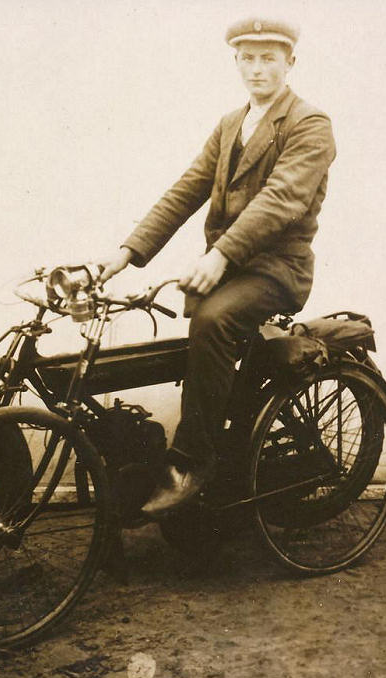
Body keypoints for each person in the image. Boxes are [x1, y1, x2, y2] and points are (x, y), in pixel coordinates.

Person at [100, 16, 336, 515]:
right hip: (230, 269)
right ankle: (227, 449)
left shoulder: (309, 124)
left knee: (211, 319)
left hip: (278, 270)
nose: (257, 68)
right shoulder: (232, 123)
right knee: (197, 334)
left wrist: (221, 254)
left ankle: (190, 463)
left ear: (289, 62)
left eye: (268, 57)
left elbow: (281, 200)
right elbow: (186, 189)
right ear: (235, 62)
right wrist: (125, 254)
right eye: (247, 58)